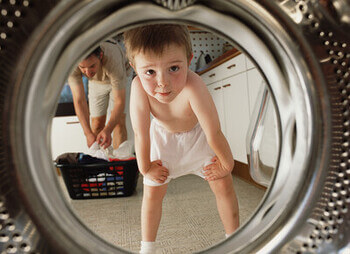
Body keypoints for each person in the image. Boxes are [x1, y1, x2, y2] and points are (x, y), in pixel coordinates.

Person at [124, 24, 239, 253]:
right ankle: (147, 248)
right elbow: (140, 132)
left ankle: (235, 239)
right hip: (162, 141)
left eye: (174, 68)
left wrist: (227, 163)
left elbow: (213, 130)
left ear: (189, 59)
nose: (163, 82)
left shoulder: (194, 85)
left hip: (198, 139)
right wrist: (145, 167)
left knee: (223, 185)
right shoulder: (138, 88)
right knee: (153, 194)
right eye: (150, 72)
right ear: (134, 68)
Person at [68, 41, 130, 149]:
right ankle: (100, 162)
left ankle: (117, 162)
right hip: (97, 81)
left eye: (92, 66)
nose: (87, 72)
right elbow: (79, 100)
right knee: (96, 125)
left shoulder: (112, 57)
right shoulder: (71, 64)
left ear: (100, 56)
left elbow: (119, 101)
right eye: (82, 67)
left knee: (118, 123)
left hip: (120, 75)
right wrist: (87, 134)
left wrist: (108, 129)